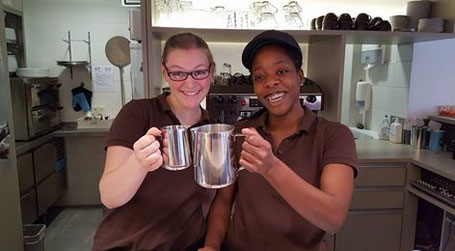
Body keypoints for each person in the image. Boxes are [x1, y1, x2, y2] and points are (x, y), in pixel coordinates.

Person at [200, 30, 359, 251]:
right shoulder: (241, 132)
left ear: (300, 76)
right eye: (259, 77)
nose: (270, 83)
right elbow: (224, 201)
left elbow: (333, 218)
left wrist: (270, 167)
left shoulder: (334, 136)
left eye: (282, 71)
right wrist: (212, 246)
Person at [93, 32, 216, 251]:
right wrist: (139, 163)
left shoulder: (211, 130)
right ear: (164, 73)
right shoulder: (138, 114)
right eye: (178, 73)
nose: (190, 83)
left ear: (211, 72)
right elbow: (109, 196)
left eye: (199, 72)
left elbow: (208, 203)